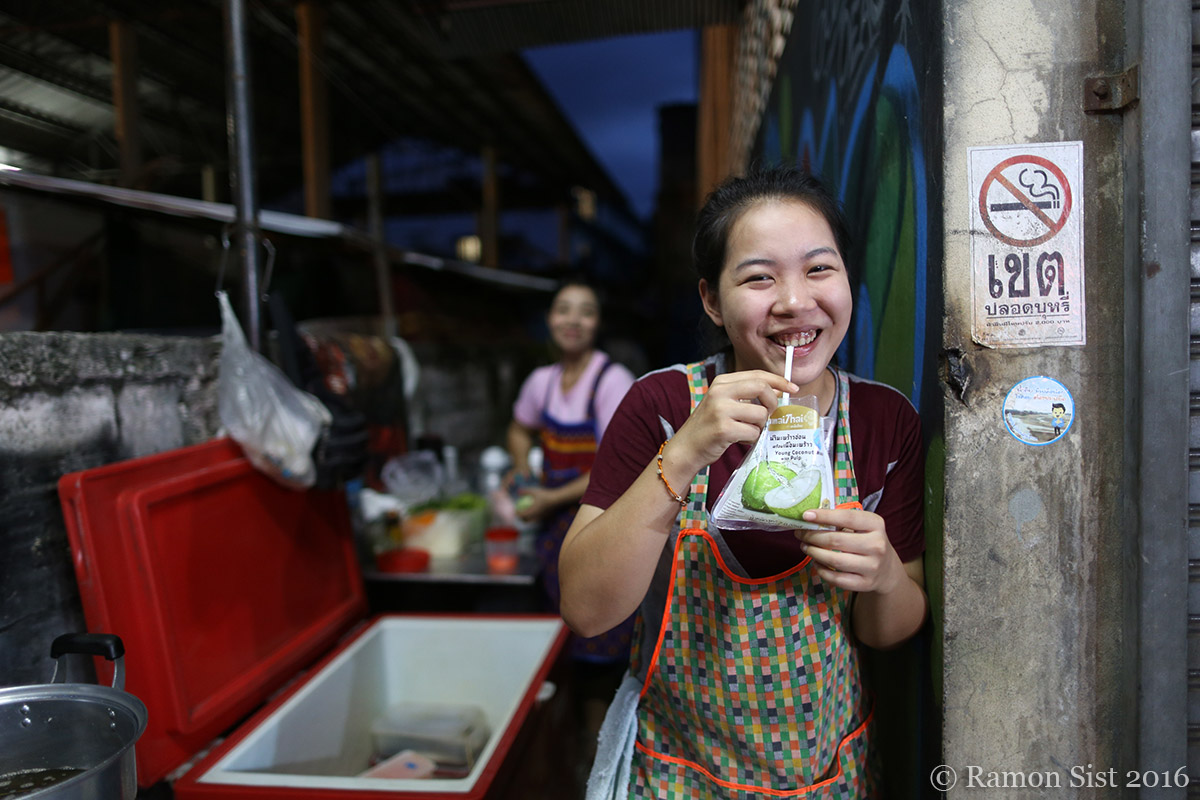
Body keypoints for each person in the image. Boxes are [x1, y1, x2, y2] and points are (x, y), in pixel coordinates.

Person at [559, 166, 928, 798]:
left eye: (819, 268)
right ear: (711, 300)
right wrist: (682, 455)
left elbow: (886, 629)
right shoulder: (661, 405)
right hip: (675, 775)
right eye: (759, 277)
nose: (794, 300)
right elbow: (587, 612)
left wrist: (886, 576)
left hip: (826, 777)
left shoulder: (883, 420)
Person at [507, 277, 638, 661]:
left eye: (586, 312)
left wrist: (549, 497)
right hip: (552, 529)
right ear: (550, 319)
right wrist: (521, 470)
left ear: (597, 324)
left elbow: (621, 467)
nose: (573, 320)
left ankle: (594, 718)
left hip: (601, 522)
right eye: (564, 310)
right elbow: (518, 429)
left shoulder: (612, 382)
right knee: (557, 640)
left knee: (599, 640)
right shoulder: (541, 382)